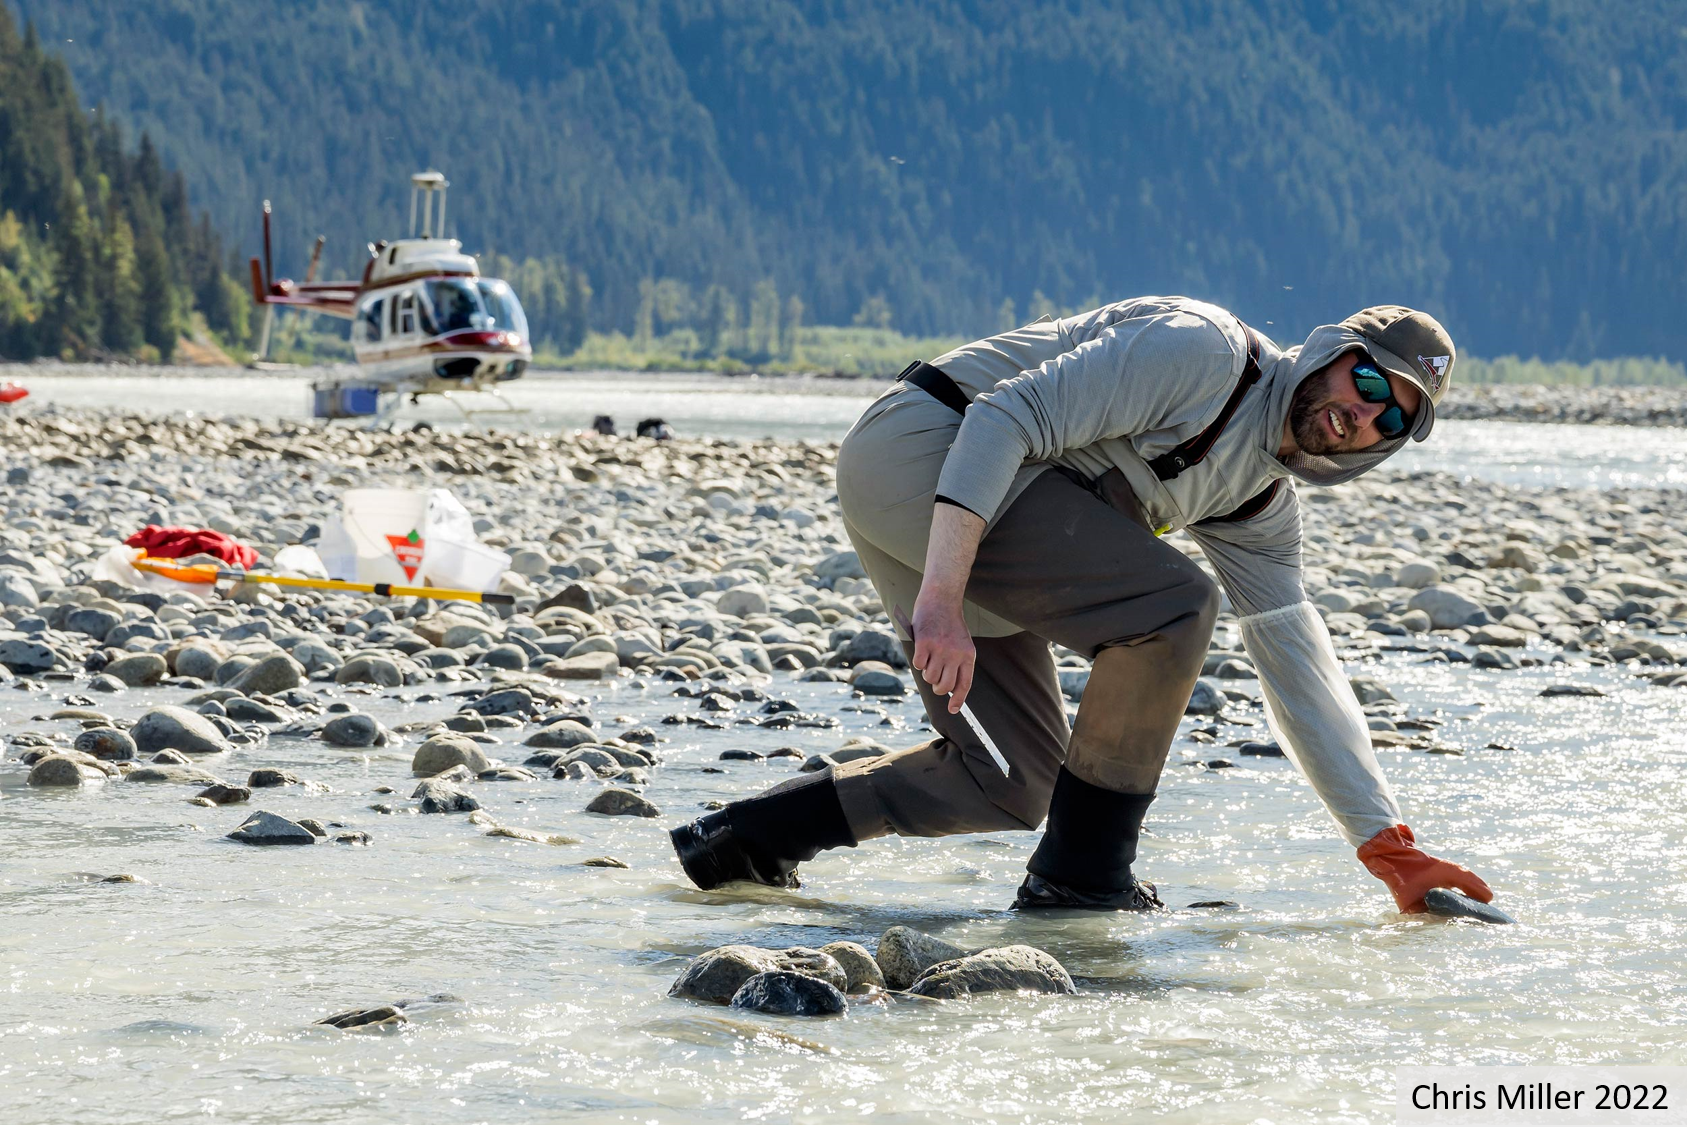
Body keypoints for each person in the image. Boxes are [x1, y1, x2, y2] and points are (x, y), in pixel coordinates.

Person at [669, 296, 1493, 914]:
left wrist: (1385, 845)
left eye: (1392, 417)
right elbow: (1002, 414)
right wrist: (942, 604)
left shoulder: (1259, 510)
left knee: (1007, 782)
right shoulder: (1202, 353)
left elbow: (1297, 667)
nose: (1363, 413)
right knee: (1174, 606)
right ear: (1327, 352)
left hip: (977, 520)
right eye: (1365, 379)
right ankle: (1083, 882)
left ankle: (744, 844)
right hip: (922, 452)